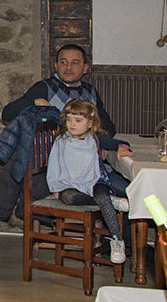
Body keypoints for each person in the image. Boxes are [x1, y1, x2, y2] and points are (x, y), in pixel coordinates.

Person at [0, 43, 122, 221]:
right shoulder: (44, 88)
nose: (68, 67)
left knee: (120, 184)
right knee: (18, 157)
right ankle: (10, 215)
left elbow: (108, 125)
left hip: (80, 159)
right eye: (63, 62)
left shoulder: (90, 92)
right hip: (50, 158)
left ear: (85, 68)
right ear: (56, 66)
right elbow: (7, 113)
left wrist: (101, 139)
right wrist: (33, 102)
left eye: (75, 63)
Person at [47, 99, 132, 263]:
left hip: (95, 181)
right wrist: (55, 188)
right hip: (71, 185)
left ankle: (117, 240)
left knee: (101, 195)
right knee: (68, 197)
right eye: (69, 119)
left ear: (90, 123)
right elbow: (54, 166)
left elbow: (120, 143)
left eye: (78, 120)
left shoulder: (95, 138)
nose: (72, 124)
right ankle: (112, 201)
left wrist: (122, 148)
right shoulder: (61, 141)